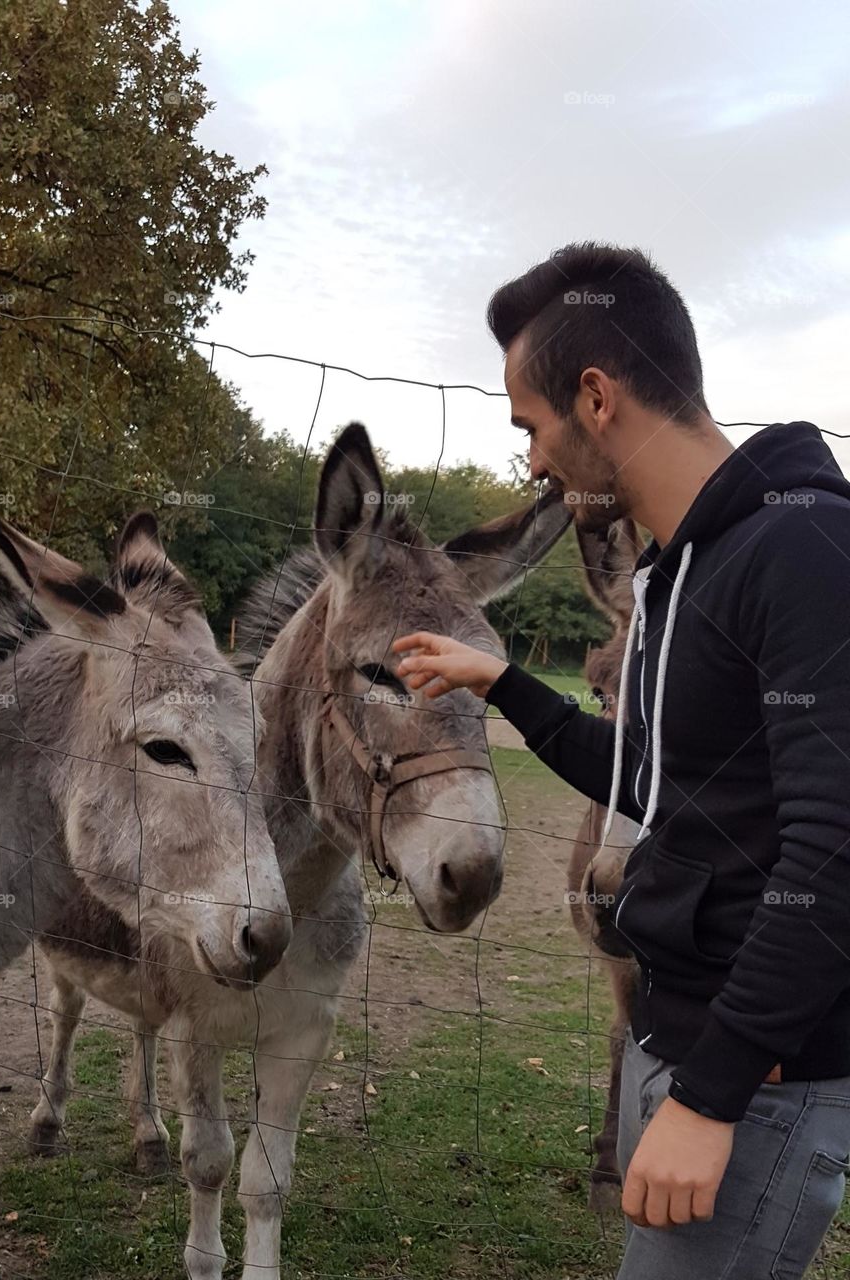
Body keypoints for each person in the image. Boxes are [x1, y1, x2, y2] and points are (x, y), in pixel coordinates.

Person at [392, 243, 850, 1279]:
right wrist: (502, 681)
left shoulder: (807, 551)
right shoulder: (679, 570)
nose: (533, 464)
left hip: (755, 1084)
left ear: (595, 398)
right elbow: (654, 782)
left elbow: (834, 849)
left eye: (531, 427)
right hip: (680, 1047)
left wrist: (713, 1092)